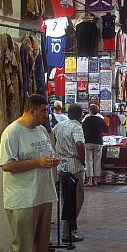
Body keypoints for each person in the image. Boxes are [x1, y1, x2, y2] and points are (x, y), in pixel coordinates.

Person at [0, 94, 59, 252]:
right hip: (22, 197)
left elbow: (46, 154)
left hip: (42, 194)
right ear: (31, 110)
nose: (46, 114)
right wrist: (37, 162)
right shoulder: (12, 132)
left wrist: (51, 161)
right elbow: (7, 165)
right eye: (43, 111)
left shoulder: (42, 130)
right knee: (23, 245)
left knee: (40, 244)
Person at [54, 104, 86, 242]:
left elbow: (53, 137)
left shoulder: (60, 125)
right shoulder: (77, 126)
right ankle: (68, 232)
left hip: (61, 166)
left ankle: (66, 231)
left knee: (65, 200)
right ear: (80, 115)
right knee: (76, 200)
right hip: (74, 167)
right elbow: (79, 144)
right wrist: (83, 160)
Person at [82, 104, 108, 187]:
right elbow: (105, 131)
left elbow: (82, 130)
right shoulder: (101, 120)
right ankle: (96, 180)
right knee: (97, 161)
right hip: (98, 142)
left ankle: (90, 180)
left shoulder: (86, 120)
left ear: (90, 111)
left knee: (89, 161)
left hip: (88, 142)